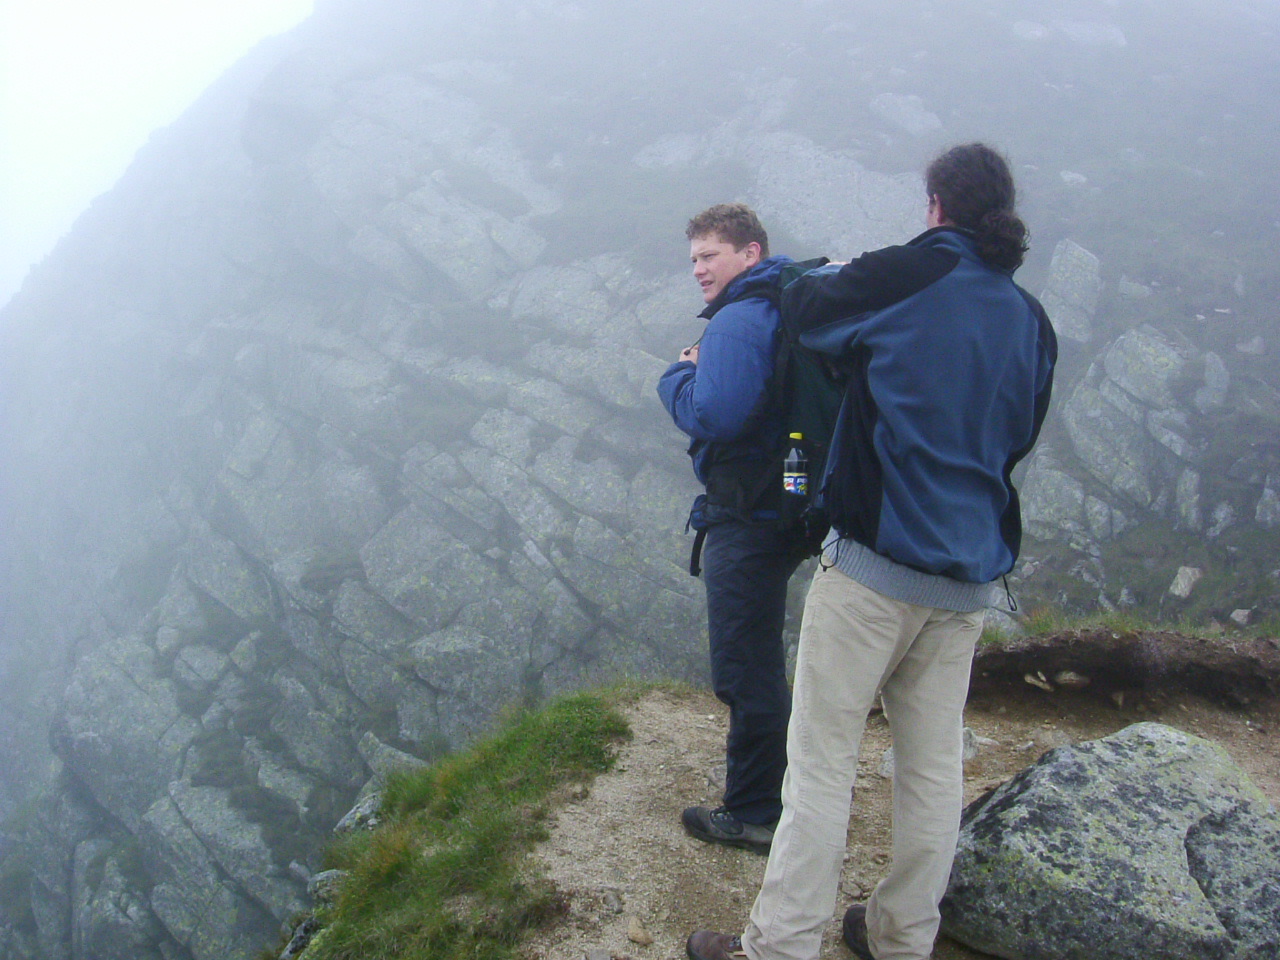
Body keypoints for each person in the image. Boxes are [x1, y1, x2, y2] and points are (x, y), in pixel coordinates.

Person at [686, 143, 1057, 960]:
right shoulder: (1029, 318)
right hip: (967, 579)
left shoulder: (908, 274)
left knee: (821, 761)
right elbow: (1021, 433)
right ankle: (900, 938)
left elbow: (807, 312)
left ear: (935, 206)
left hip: (873, 569)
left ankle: (780, 945)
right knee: (932, 768)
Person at [657, 203, 806, 854]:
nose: (698, 269)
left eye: (709, 255)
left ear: (750, 253)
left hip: (747, 516)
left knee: (747, 667)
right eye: (694, 258)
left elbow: (717, 416)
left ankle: (753, 813)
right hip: (788, 502)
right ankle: (783, 794)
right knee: (761, 656)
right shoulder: (782, 305)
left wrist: (678, 375)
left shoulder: (739, 320)